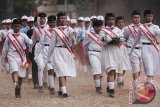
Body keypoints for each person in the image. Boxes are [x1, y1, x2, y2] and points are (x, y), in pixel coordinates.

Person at [48, 12, 77, 98]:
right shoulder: (55, 31)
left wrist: (74, 38)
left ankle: (61, 89)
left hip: (66, 51)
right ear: (58, 20)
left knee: (64, 71)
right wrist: (49, 56)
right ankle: (64, 91)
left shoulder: (69, 29)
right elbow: (52, 44)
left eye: (64, 18)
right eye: (61, 18)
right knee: (61, 71)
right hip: (58, 51)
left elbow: (74, 36)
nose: (63, 19)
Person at [1, 18, 32, 98]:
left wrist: (32, 43)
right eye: (15, 26)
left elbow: (30, 42)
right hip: (12, 56)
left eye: (18, 26)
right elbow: (5, 49)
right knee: (14, 71)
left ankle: (18, 89)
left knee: (21, 76)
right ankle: (16, 85)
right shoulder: (9, 37)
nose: (17, 28)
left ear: (20, 27)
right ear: (12, 26)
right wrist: (3, 61)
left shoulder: (23, 35)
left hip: (22, 57)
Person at [99, 13, 125, 97]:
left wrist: (117, 39)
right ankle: (111, 90)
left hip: (116, 51)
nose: (111, 21)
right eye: (109, 19)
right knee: (111, 70)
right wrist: (109, 39)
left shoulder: (118, 30)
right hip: (107, 51)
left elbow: (122, 39)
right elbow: (101, 40)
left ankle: (109, 86)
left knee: (114, 71)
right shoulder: (103, 31)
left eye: (112, 19)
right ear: (106, 21)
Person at [129, 10, 160, 78]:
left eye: (151, 16)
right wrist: (131, 50)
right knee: (148, 65)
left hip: (154, 48)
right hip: (145, 48)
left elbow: (158, 32)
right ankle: (149, 84)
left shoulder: (156, 27)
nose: (149, 17)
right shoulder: (141, 27)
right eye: (148, 16)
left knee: (152, 66)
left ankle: (150, 83)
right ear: (145, 17)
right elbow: (137, 40)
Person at [29, 12, 49, 93]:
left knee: (47, 67)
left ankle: (45, 82)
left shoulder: (49, 28)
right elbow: (33, 40)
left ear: (46, 19)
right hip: (38, 49)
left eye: (44, 18)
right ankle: (40, 85)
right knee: (40, 66)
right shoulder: (35, 29)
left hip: (48, 48)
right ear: (38, 19)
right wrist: (30, 48)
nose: (42, 20)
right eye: (41, 18)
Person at [83, 20, 103, 94]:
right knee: (96, 69)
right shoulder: (89, 35)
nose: (98, 29)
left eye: (99, 27)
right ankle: (97, 87)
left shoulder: (103, 35)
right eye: (96, 27)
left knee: (101, 72)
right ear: (93, 27)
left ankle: (99, 83)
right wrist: (86, 53)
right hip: (93, 53)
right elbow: (84, 45)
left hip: (102, 54)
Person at [123, 10, 142, 80]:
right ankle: (136, 86)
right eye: (135, 17)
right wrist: (127, 46)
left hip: (142, 50)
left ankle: (136, 82)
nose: (136, 19)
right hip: (132, 50)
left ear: (140, 18)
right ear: (132, 18)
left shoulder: (143, 27)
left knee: (139, 69)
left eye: (138, 17)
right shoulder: (127, 28)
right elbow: (124, 38)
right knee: (135, 68)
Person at [115, 16, 131, 87]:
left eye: (122, 22)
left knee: (124, 65)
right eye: (119, 22)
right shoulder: (114, 30)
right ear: (116, 23)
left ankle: (120, 78)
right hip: (117, 49)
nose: (120, 24)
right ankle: (119, 79)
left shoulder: (126, 30)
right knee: (117, 65)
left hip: (125, 49)